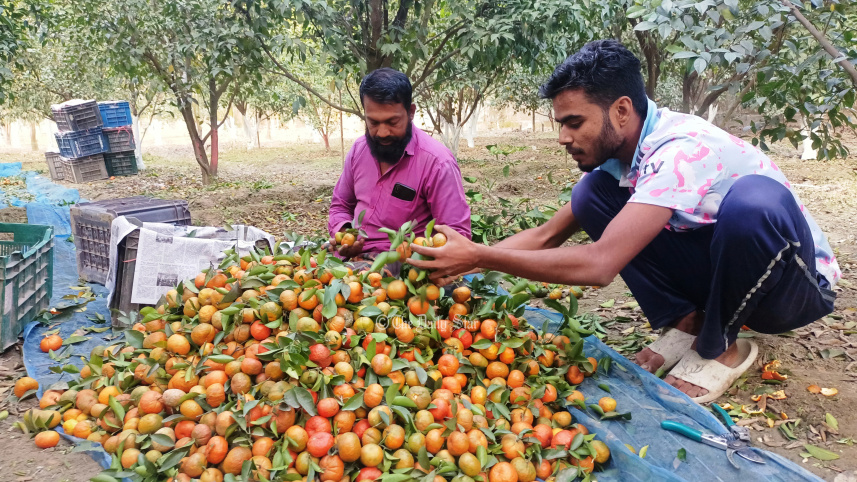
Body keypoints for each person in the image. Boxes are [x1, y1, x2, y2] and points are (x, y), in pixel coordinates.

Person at [407, 40, 839, 404]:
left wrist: (481, 253)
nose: (563, 138)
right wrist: (462, 262)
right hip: (730, 268)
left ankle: (719, 345)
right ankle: (691, 323)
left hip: (792, 288)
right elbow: (545, 235)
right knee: (592, 194)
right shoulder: (624, 161)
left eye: (574, 123)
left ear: (621, 111)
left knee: (753, 205)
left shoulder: (679, 151)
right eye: (561, 124)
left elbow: (599, 265)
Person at [328, 68, 471, 261]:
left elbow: (457, 236)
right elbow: (341, 205)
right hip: (353, 261)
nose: (382, 132)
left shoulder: (437, 163)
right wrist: (346, 236)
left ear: (410, 112)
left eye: (392, 121)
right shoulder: (358, 150)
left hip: (405, 265)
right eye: (373, 122)